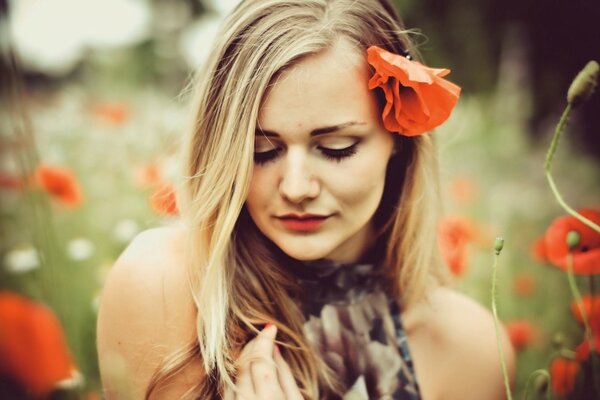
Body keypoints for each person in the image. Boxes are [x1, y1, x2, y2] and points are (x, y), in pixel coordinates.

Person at [97, 0, 515, 399]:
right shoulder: (167, 286)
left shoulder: (470, 350)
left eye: (336, 147)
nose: (296, 188)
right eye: (261, 151)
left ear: (399, 141)